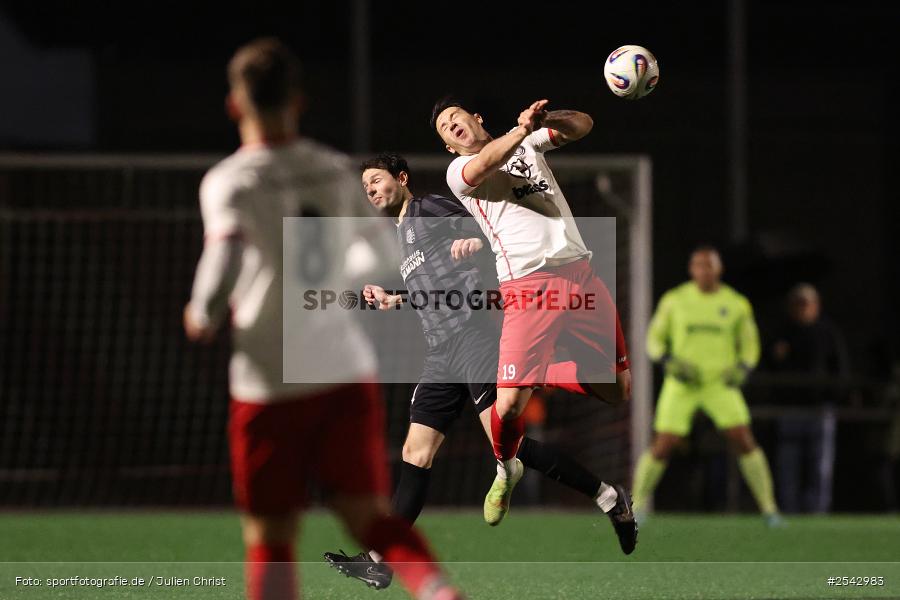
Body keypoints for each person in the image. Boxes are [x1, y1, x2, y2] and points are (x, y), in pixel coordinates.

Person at [183, 38, 462, 600]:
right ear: (300, 102)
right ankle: (437, 591)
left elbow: (225, 256)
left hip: (268, 377)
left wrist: (202, 312)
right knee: (368, 516)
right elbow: (382, 256)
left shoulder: (230, 181)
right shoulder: (334, 169)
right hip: (342, 370)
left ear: (235, 106)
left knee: (271, 535)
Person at [324, 152, 636, 589]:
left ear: (402, 177)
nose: (371, 189)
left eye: (377, 180)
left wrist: (473, 240)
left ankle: (609, 498)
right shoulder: (398, 236)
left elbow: (484, 223)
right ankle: (380, 561)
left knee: (511, 446)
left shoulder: (427, 208)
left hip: (475, 339)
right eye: (366, 187)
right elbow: (437, 289)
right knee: (416, 453)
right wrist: (396, 298)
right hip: (440, 355)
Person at [431, 97, 634, 533]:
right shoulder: (459, 171)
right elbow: (486, 161)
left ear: (477, 115)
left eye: (456, 117)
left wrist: (547, 121)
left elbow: (583, 124)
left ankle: (536, 372)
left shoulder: (527, 142)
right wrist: (521, 131)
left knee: (618, 390)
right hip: (528, 286)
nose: (453, 126)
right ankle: (506, 470)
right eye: (446, 128)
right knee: (507, 406)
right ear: (449, 146)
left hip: (579, 275)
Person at [630, 246, 782, 526]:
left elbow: (750, 344)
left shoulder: (735, 303)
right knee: (663, 445)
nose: (704, 271)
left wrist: (744, 367)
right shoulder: (675, 300)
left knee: (742, 438)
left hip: (719, 383)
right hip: (682, 383)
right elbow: (654, 338)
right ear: (692, 270)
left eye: (709, 265)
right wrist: (667, 360)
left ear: (719, 269)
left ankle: (769, 509)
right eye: (699, 265)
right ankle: (636, 507)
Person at [769, 283, 849, 513]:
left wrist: (834, 396)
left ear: (816, 306)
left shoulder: (828, 332)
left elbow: (840, 368)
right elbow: (769, 364)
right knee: (787, 466)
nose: (802, 308)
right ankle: (788, 513)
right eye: (797, 304)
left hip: (819, 408)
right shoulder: (783, 333)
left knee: (820, 467)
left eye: (806, 304)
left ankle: (818, 514)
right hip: (789, 408)